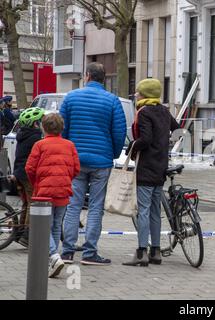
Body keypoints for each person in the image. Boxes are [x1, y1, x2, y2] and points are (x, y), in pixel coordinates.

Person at [60, 62, 127, 266]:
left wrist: (66, 152)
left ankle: (68, 251)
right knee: (96, 207)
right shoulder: (112, 101)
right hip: (101, 161)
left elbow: (62, 129)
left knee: (73, 205)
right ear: (103, 78)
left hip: (76, 160)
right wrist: (112, 154)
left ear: (87, 75)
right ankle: (90, 252)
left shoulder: (71, 97)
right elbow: (119, 132)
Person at [123, 78, 179, 267]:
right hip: (160, 166)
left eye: (138, 92)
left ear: (145, 94)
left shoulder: (144, 112)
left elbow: (145, 139)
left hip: (146, 167)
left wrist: (132, 145)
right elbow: (177, 129)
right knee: (156, 211)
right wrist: (164, 144)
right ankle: (156, 251)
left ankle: (141, 253)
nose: (136, 94)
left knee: (144, 211)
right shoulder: (164, 111)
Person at [25, 113, 80, 278]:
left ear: (43, 127)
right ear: (62, 128)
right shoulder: (69, 145)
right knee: (56, 225)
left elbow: (29, 168)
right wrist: (65, 179)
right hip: (63, 191)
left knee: (43, 227)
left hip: (44, 193)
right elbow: (76, 168)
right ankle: (54, 259)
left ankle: (54, 256)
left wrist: (37, 183)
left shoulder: (39, 145)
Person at [9, 107, 45, 247]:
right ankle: (27, 235)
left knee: (26, 203)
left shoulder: (22, 134)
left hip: (18, 173)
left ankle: (19, 232)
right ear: (35, 123)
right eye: (40, 121)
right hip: (26, 174)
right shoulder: (36, 137)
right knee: (32, 203)